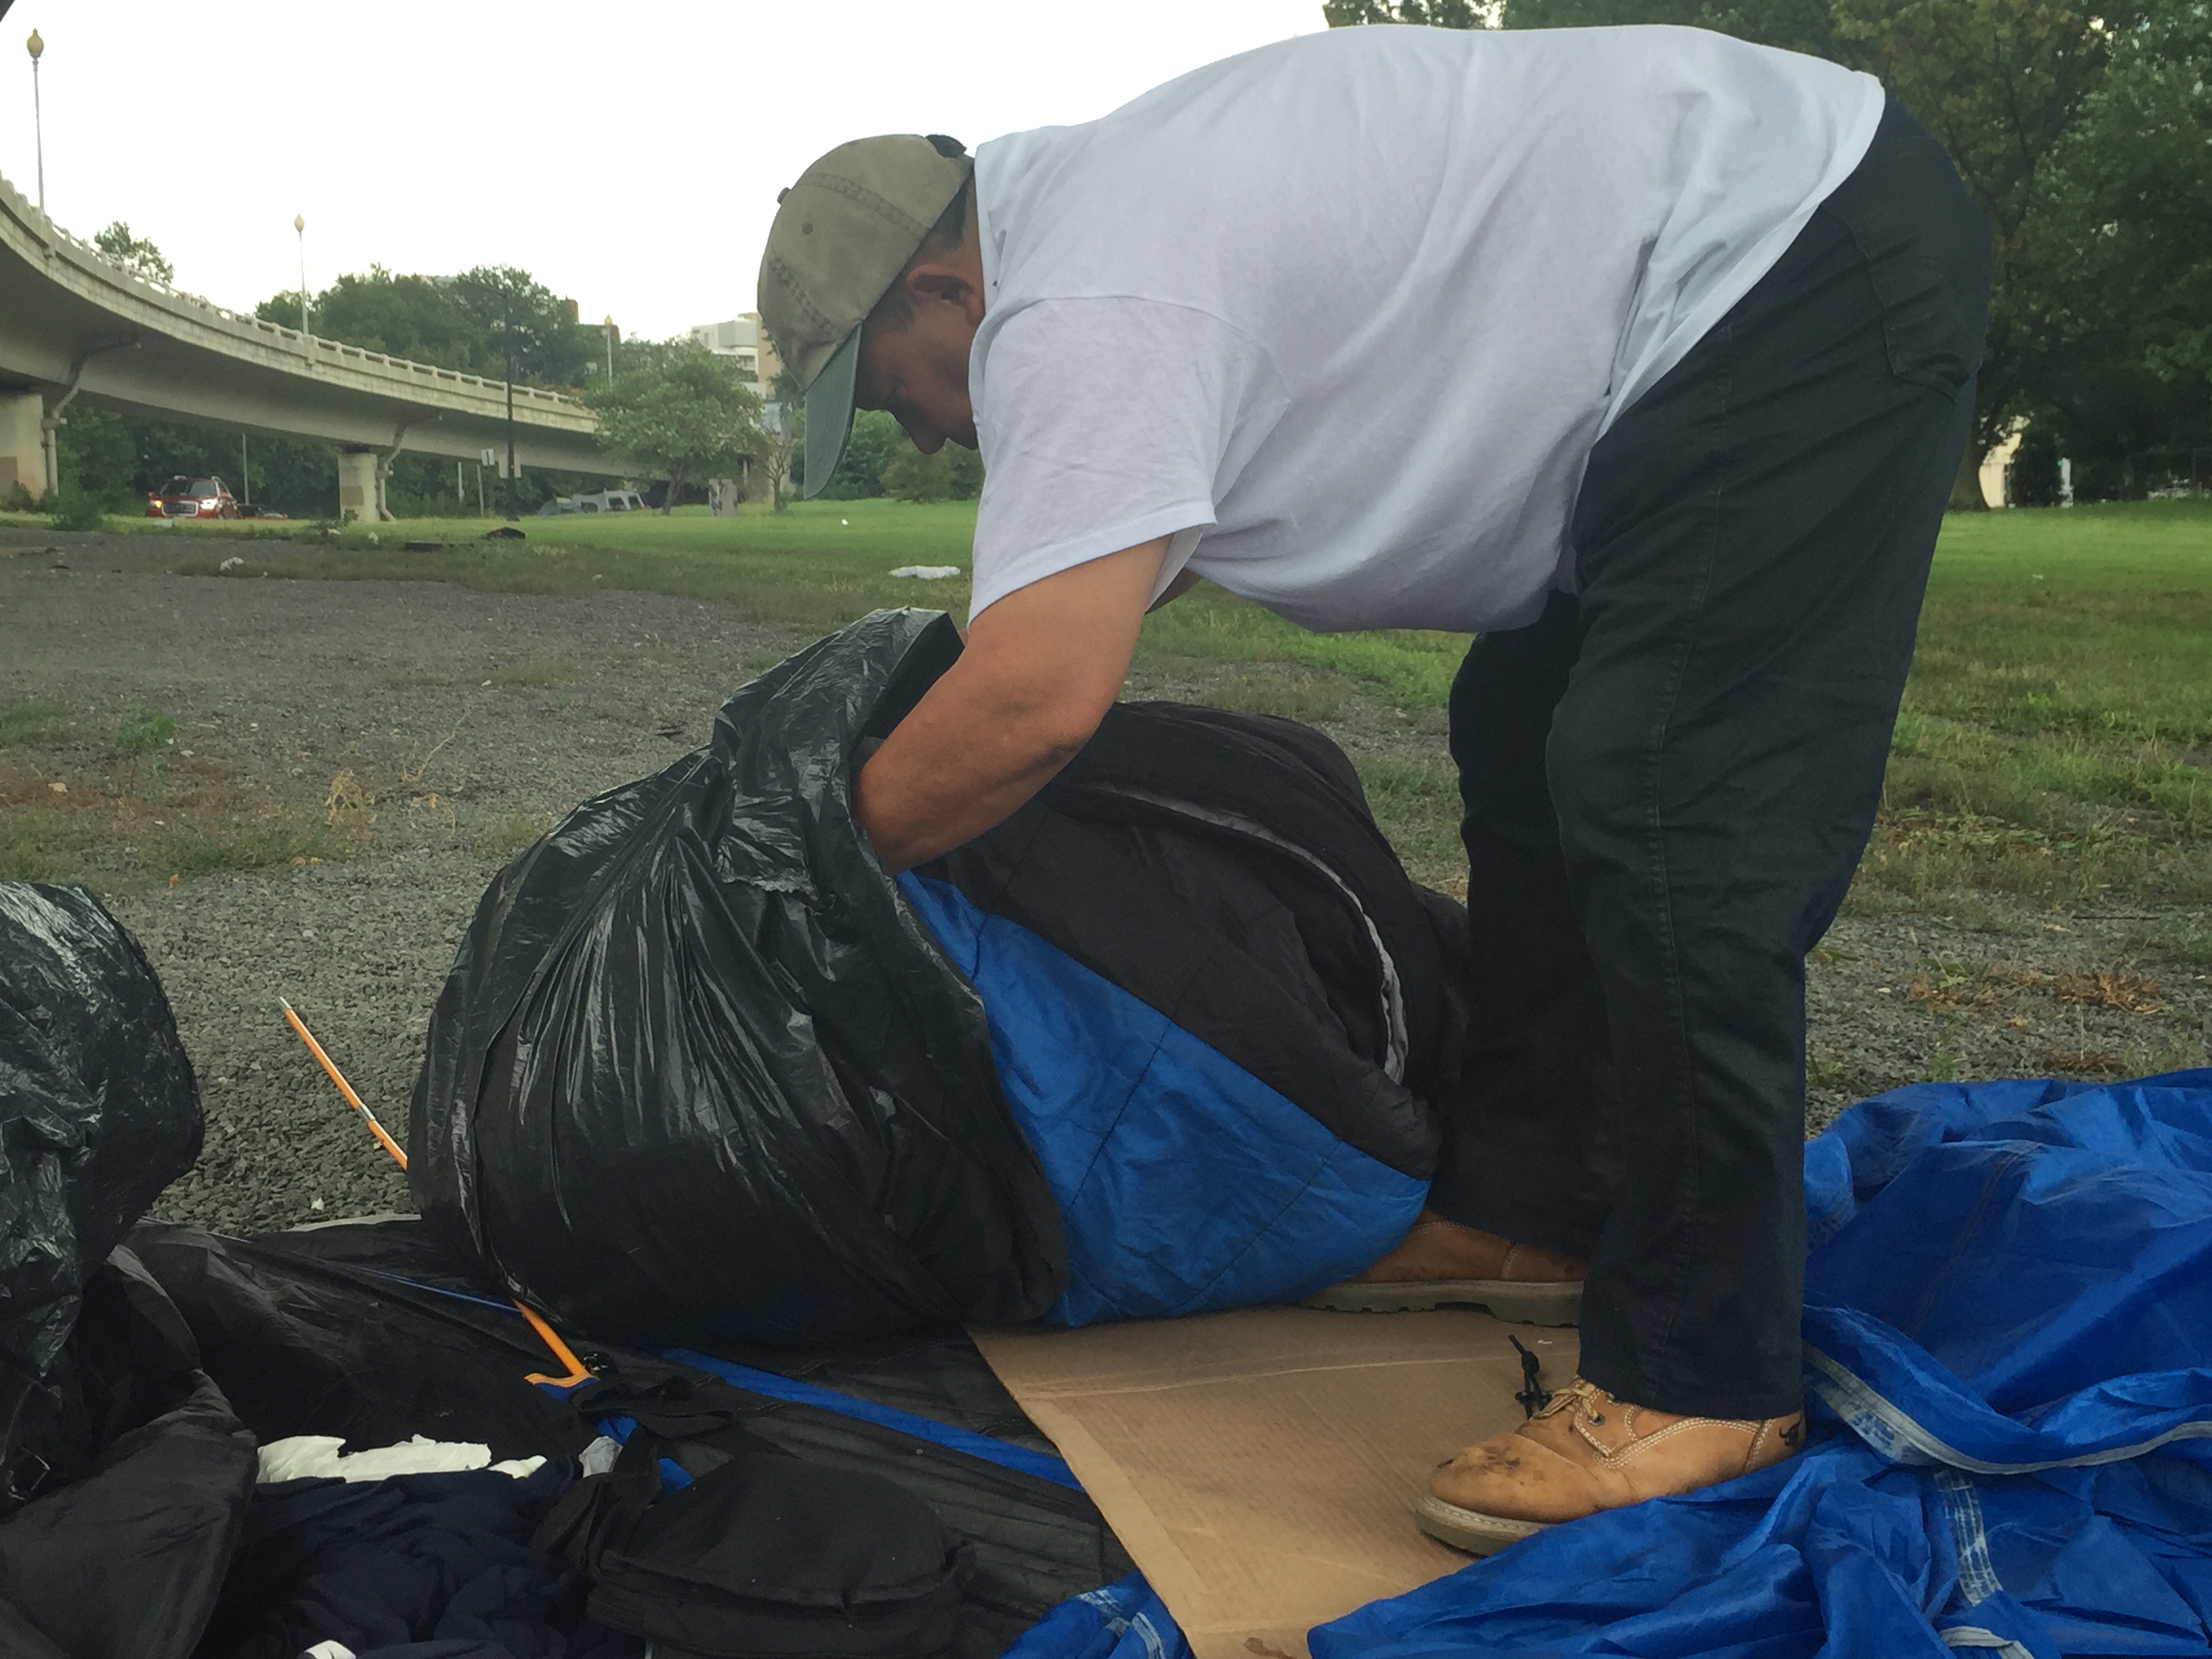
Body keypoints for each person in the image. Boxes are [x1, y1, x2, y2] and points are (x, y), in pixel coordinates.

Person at [756, 23, 1988, 1553]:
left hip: (1786, 243)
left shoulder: (1083, 293)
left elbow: (1037, 698)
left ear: (946, 291)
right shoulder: (1101, 227)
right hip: (1696, 302)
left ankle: (1704, 1372)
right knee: (1530, 737)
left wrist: (797, 880)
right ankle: (1538, 1209)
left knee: (1672, 806)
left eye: (900, 395)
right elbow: (1091, 596)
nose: (932, 432)